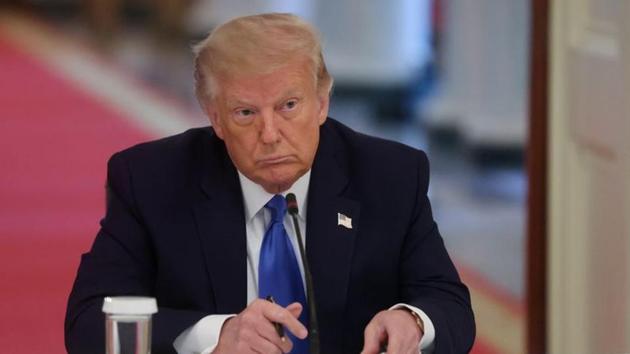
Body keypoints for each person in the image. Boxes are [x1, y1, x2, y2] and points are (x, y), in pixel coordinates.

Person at [65, 13, 475, 354]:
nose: (270, 133)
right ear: (215, 118)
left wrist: (411, 320)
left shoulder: (389, 175)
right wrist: (216, 334)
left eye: (289, 106)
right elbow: (89, 321)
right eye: (245, 113)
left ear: (322, 102)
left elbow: (449, 304)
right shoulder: (153, 180)